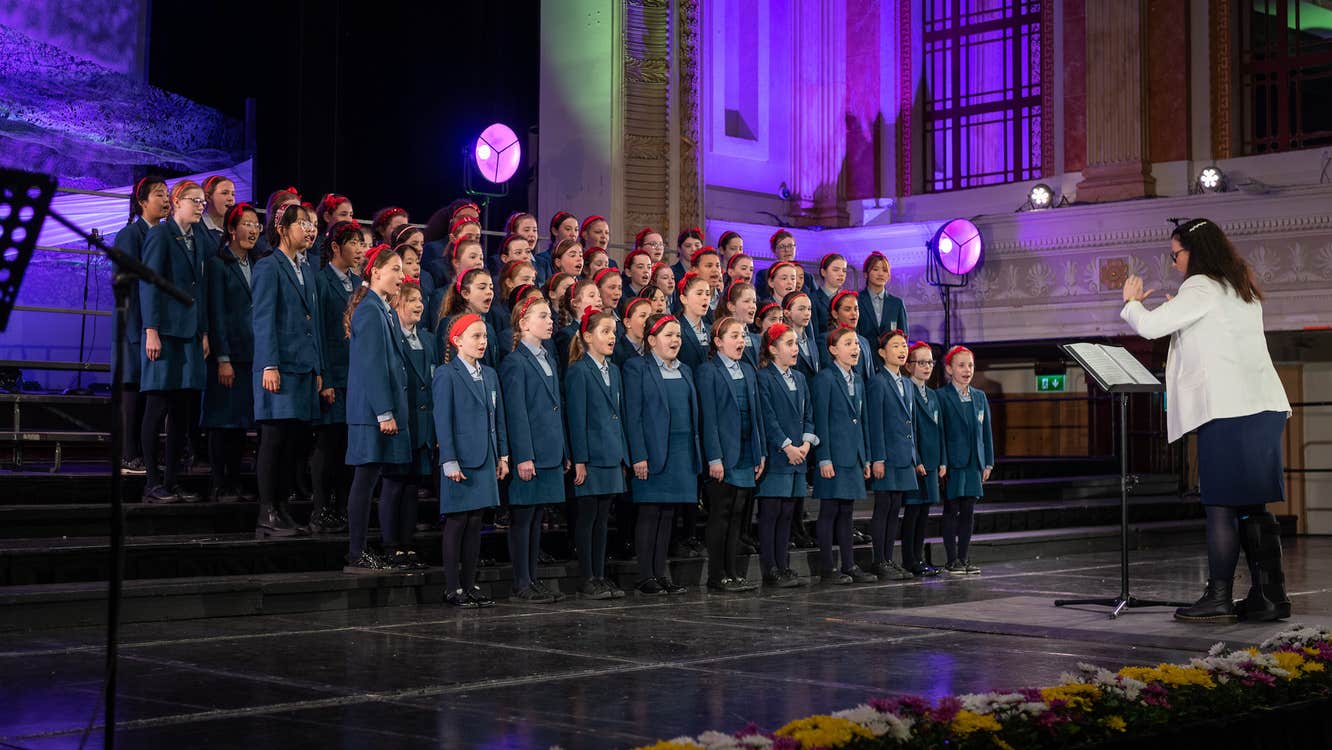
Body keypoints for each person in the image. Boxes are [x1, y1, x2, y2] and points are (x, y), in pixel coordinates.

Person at [1121, 218, 1291, 623]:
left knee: (1219, 506)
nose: (1174, 261)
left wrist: (1131, 302)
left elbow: (1150, 327)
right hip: (1263, 409)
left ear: (1193, 252)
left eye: (1175, 254)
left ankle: (1218, 597)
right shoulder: (1240, 288)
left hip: (1229, 412)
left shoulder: (1200, 287)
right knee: (1253, 505)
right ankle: (1270, 596)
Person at [251, 203, 324, 537]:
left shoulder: (306, 268)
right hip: (279, 367)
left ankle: (281, 507)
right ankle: (267, 511)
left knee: (293, 443)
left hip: (303, 368)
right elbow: (263, 318)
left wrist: (318, 367)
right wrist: (269, 364)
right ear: (283, 229)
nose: (308, 230)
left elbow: (315, 323)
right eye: (302, 224)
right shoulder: (269, 266)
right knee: (274, 439)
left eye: (311, 224)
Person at [139, 180, 210, 504]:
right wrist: (151, 329)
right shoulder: (161, 234)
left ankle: (173, 480)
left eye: (203, 202)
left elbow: (200, 290)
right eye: (195, 200)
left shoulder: (197, 239)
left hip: (189, 335)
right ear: (177, 200)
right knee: (157, 407)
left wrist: (204, 331)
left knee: (182, 412)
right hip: (166, 333)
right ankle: (152, 482)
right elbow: (150, 283)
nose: (200, 206)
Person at [434, 314, 510, 608]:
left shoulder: (489, 375)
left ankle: (470, 583)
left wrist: (501, 454)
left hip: (485, 458)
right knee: (457, 523)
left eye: (485, 337)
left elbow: (497, 417)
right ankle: (452, 587)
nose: (483, 342)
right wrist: (449, 460)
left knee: (476, 522)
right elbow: (443, 420)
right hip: (461, 460)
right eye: (476, 336)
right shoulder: (447, 374)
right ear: (457, 340)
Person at [342, 247, 410, 573]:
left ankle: (362, 549)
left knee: (370, 480)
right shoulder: (370, 310)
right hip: (370, 415)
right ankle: (356, 551)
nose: (402, 277)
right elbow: (372, 366)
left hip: (376, 414)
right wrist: (384, 412)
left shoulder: (381, 309)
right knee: (364, 480)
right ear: (376, 271)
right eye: (396, 270)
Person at [623, 313, 698, 596]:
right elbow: (634, 415)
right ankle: (646, 575)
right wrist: (638, 455)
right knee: (650, 512)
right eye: (668, 335)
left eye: (677, 335)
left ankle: (660, 572)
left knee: (668, 514)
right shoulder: (636, 368)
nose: (675, 340)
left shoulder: (686, 370)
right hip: (653, 451)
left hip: (681, 452)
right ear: (652, 339)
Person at [500, 297, 569, 603]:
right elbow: (516, 413)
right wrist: (524, 455)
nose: (550, 320)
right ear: (524, 323)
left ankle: (533, 578)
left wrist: (564, 448)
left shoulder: (549, 358)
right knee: (524, 518)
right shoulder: (515, 362)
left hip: (550, 450)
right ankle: (520, 581)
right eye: (543, 316)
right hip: (530, 454)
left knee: (538, 516)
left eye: (550, 316)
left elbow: (556, 407)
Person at [564, 309, 630, 599]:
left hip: (611, 454)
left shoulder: (613, 370)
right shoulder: (579, 371)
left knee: (604, 519)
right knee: (588, 517)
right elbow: (577, 419)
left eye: (613, 332)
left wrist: (623, 455)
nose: (612, 337)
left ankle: (600, 574)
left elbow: (619, 414)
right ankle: (587, 576)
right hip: (591, 457)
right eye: (605, 332)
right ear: (587, 336)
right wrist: (580, 460)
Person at [697, 317, 765, 592]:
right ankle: (717, 575)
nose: (741, 341)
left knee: (738, 514)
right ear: (718, 341)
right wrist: (714, 458)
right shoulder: (708, 371)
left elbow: (756, 414)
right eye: (734, 336)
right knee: (721, 513)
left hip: (746, 451)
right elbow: (709, 418)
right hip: (724, 455)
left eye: (743, 336)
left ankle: (733, 572)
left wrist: (760, 453)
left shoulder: (748, 370)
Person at [202, 203, 260, 503]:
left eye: (255, 225)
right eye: (246, 224)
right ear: (231, 229)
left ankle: (235, 482)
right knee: (221, 422)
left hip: (251, 355)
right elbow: (217, 313)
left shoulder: (258, 262)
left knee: (240, 423)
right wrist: (222, 358)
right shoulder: (218, 263)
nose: (252, 230)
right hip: (228, 355)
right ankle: (219, 483)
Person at [310, 223, 365, 534]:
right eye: (352, 243)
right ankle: (321, 508)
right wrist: (325, 377)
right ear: (334, 247)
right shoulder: (321, 281)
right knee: (328, 443)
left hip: (355, 375)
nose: (358, 249)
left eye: (360, 243)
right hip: (334, 373)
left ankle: (343, 507)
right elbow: (318, 331)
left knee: (349, 445)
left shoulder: (359, 283)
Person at [811, 326, 875, 584]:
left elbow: (862, 420)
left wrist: (866, 456)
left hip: (853, 456)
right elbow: (821, 420)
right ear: (833, 350)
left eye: (857, 344)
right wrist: (823, 457)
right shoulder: (825, 379)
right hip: (833, 457)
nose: (855, 349)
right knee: (829, 510)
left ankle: (849, 565)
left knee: (847, 512)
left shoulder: (858, 379)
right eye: (848, 344)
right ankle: (827, 568)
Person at [116, 176, 169, 476]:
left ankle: (141, 454)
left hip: (150, 324)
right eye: (159, 194)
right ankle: (128, 454)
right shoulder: (130, 235)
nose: (165, 200)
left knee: (146, 389)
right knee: (132, 388)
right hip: (135, 324)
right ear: (142, 201)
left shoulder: (161, 234)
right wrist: (142, 326)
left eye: (167, 194)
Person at [755, 323, 816, 587]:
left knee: (788, 514)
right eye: (789, 344)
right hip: (779, 456)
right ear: (772, 349)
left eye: (796, 343)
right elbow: (767, 416)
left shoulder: (800, 378)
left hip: (798, 458)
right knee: (772, 514)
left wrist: (805, 444)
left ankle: (784, 565)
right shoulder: (764, 377)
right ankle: (770, 568)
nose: (795, 349)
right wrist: (787, 445)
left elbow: (808, 415)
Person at [383, 280, 436, 570]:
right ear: (397, 304)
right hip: (401, 421)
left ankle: (407, 543)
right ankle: (392, 545)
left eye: (420, 300)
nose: (419, 305)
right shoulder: (391, 336)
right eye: (412, 300)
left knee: (413, 486)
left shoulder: (427, 339)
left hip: (423, 423)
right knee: (395, 485)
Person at [866, 329, 919, 581]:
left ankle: (889, 558)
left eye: (903, 346)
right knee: (884, 506)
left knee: (896, 506)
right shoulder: (877, 382)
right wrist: (878, 457)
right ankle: (879, 560)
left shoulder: (907, 383)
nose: (901, 350)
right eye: (895, 346)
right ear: (882, 352)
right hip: (886, 456)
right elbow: (874, 422)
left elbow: (911, 424)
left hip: (903, 456)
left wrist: (914, 457)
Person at [937, 345, 993, 575]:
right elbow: (939, 432)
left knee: (969, 511)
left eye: (970, 365)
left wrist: (988, 462)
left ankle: (964, 557)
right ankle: (952, 560)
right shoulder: (941, 396)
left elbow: (986, 432)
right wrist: (942, 461)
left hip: (974, 462)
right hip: (952, 462)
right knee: (952, 509)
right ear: (949, 369)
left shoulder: (980, 397)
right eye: (961, 365)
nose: (967, 370)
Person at [902, 341, 944, 577]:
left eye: (930, 362)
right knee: (913, 512)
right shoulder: (907, 390)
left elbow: (940, 431)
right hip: (915, 462)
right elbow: (910, 431)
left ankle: (919, 558)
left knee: (925, 512)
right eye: (921, 362)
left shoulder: (933, 395)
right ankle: (910, 559)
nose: (927, 366)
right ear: (909, 366)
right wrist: (915, 458)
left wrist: (942, 461)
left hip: (931, 461)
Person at [858, 252, 909, 369]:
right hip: (864, 361)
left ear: (889, 275)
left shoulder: (897, 303)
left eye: (885, 270)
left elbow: (904, 337)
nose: (880, 273)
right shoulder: (857, 300)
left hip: (889, 363)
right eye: (875, 269)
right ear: (866, 274)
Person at [810, 253, 847, 337]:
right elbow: (814, 333)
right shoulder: (813, 299)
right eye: (836, 270)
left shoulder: (848, 299)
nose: (841, 274)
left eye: (844, 270)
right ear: (823, 272)